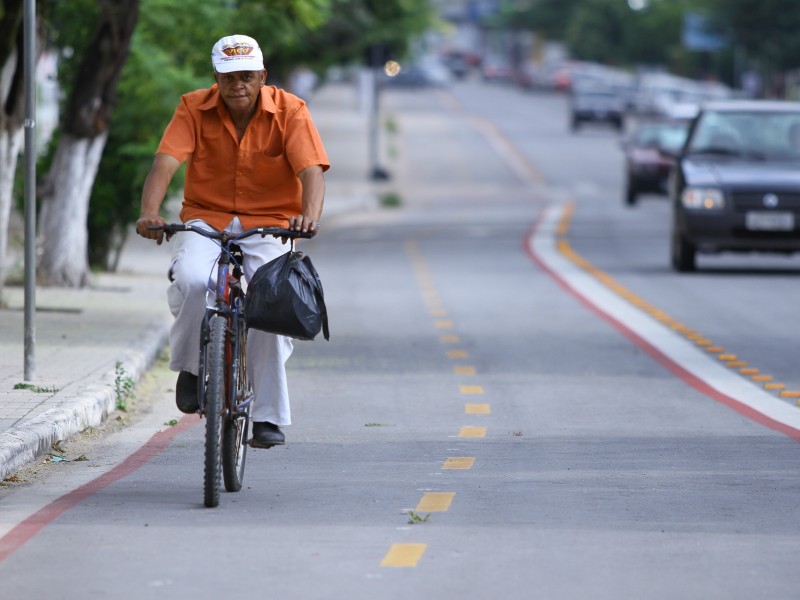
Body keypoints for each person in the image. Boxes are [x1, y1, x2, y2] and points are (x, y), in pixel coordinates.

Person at [135, 34, 329, 448]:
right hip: (207, 217)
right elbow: (165, 163)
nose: (237, 84)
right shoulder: (192, 107)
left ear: (262, 76)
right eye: (228, 77)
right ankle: (190, 368)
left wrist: (308, 218)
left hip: (273, 222)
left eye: (246, 76)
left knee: (271, 302)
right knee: (190, 279)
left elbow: (311, 171)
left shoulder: (292, 111)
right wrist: (149, 213)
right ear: (216, 78)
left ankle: (268, 417)